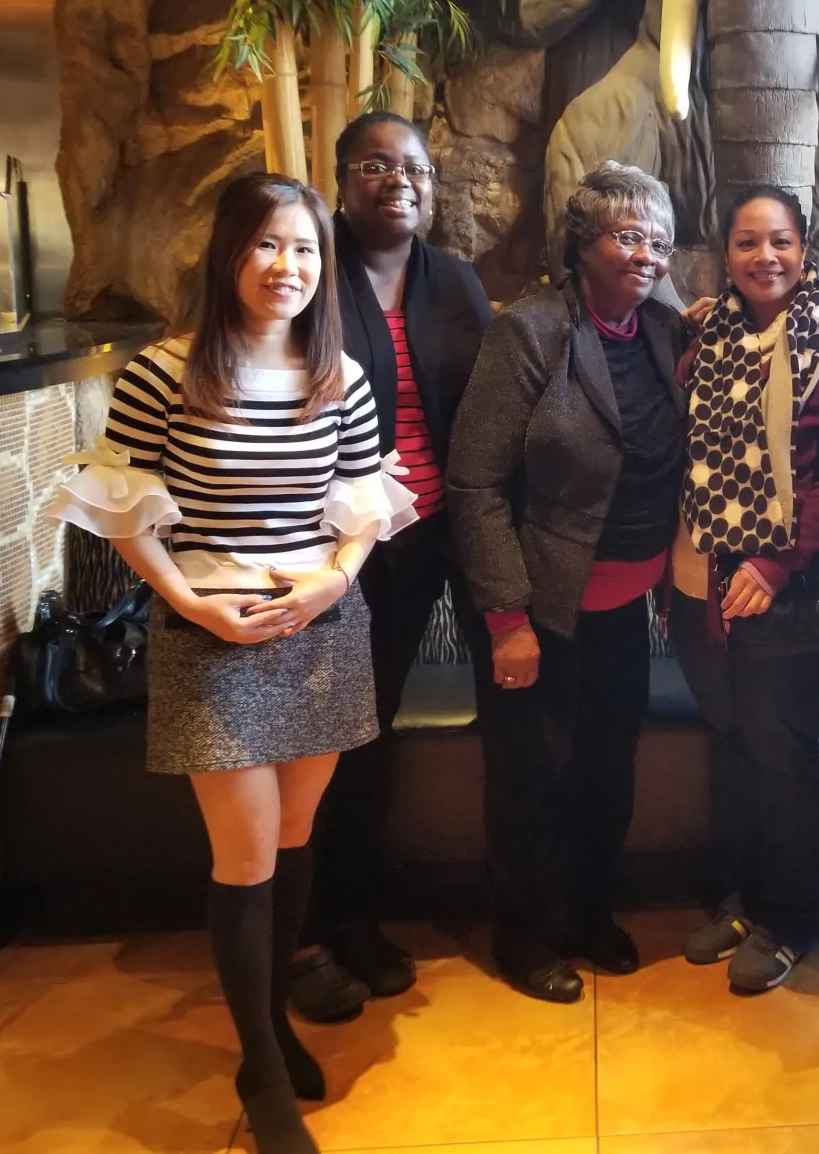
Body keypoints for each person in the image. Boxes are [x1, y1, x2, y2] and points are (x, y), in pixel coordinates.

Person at [46, 173, 417, 1154]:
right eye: (266, 245)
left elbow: (363, 502)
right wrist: (186, 601)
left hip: (320, 629)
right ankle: (260, 1066)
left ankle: (273, 1028)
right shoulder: (163, 373)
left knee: (294, 837)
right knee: (245, 854)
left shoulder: (339, 376)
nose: (287, 267)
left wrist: (335, 581)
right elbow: (121, 508)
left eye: (304, 249)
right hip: (212, 633)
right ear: (228, 254)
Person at [447, 162, 688, 1003]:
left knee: (606, 773)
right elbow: (474, 483)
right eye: (628, 237)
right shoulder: (530, 332)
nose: (648, 254)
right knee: (532, 780)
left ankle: (589, 913)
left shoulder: (663, 328)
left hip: (626, 606)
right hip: (541, 607)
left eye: (659, 240)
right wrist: (507, 619)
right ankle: (524, 936)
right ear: (582, 246)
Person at [293, 112, 497, 1022]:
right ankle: (329, 927)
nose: (399, 181)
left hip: (439, 534)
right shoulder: (310, 276)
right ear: (341, 178)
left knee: (481, 716)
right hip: (343, 549)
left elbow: (490, 406)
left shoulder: (454, 281)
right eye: (376, 165)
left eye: (414, 167)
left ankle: (380, 914)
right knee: (346, 741)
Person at [674, 185, 819, 994]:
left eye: (780, 240)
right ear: (726, 254)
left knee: (785, 757)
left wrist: (776, 564)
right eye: (747, 242)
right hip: (700, 583)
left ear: (804, 250)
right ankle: (743, 898)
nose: (765, 257)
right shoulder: (707, 340)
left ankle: (791, 918)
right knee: (733, 748)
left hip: (787, 591)